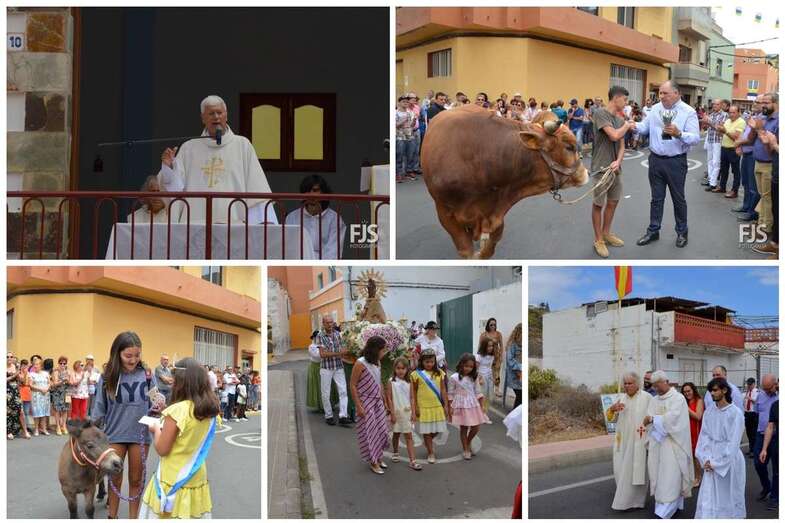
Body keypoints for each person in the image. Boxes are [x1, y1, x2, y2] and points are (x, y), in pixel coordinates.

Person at [158, 95, 276, 225]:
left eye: (219, 112)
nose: (216, 117)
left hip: (234, 223)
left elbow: (256, 185)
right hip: (196, 223)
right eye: (211, 113)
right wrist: (168, 168)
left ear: (226, 116)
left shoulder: (242, 145)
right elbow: (175, 188)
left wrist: (264, 220)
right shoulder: (189, 148)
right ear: (203, 118)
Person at [140, 357, 220, 518]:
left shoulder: (177, 411)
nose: (171, 383)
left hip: (173, 478)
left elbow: (162, 449)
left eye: (174, 379)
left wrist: (156, 429)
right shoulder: (210, 409)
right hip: (196, 475)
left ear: (181, 382)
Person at [91, 331, 159, 519]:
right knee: (115, 478)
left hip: (140, 436)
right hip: (114, 435)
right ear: (117, 353)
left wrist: (159, 407)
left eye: (137, 355)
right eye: (128, 356)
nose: (133, 360)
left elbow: (156, 404)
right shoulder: (106, 377)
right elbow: (98, 409)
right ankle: (112, 517)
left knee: (136, 480)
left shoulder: (146, 375)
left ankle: (133, 518)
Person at [632, 80, 701, 249]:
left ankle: (682, 232)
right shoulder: (655, 109)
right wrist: (632, 125)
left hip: (675, 162)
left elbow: (695, 138)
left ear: (676, 93)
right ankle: (653, 231)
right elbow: (644, 128)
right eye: (660, 93)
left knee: (678, 199)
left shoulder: (688, 112)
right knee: (656, 199)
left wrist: (679, 133)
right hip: (655, 159)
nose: (661, 96)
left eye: (665, 93)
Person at [590, 85, 636, 258]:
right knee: (598, 204)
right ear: (615, 98)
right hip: (601, 168)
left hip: (615, 169)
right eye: (624, 99)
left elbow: (622, 145)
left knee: (613, 202)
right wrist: (627, 125)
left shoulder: (619, 119)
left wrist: (618, 160)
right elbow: (614, 136)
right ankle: (598, 239)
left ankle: (607, 233)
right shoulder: (600, 113)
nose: (625, 103)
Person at [643, 370, 694, 518]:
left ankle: (664, 511)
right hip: (657, 443)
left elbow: (675, 419)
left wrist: (653, 419)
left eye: (658, 385)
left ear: (666, 382)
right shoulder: (654, 400)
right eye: (654, 386)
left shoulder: (678, 398)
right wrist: (650, 420)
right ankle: (673, 505)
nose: (656, 389)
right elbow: (648, 417)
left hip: (673, 444)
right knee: (659, 475)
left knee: (671, 476)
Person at [694, 377, 746, 518]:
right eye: (711, 390)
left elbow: (733, 442)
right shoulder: (709, 411)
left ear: (724, 390)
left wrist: (717, 463)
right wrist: (705, 458)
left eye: (715, 390)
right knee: (710, 494)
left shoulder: (735, 413)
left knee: (728, 494)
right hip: (711, 456)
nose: (712, 393)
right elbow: (704, 437)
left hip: (729, 460)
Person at [606, 371, 651, 511]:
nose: (627, 386)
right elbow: (610, 418)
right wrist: (612, 409)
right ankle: (624, 498)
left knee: (637, 472)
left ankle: (635, 502)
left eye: (630, 383)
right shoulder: (621, 398)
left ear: (637, 384)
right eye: (625, 383)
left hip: (639, 441)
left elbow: (652, 418)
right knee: (620, 469)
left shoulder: (647, 398)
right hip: (622, 442)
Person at [349, 336, 390, 475]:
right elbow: (353, 385)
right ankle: (374, 462)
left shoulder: (377, 362)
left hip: (377, 401)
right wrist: (359, 406)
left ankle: (378, 457)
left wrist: (384, 400)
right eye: (383, 349)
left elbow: (378, 382)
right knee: (371, 432)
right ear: (375, 349)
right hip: (365, 402)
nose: (385, 352)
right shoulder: (360, 363)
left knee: (382, 431)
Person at [285, 175, 346, 260]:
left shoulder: (335, 219)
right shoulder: (292, 217)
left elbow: (333, 252)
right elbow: (290, 249)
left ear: (324, 192)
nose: (311, 194)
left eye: (315, 190)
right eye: (307, 191)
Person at [448, 353, 489, 460]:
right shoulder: (454, 377)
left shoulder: (474, 377)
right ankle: (465, 448)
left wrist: (482, 406)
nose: (468, 369)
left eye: (471, 367)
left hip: (472, 404)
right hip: (460, 405)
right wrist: (450, 406)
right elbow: (450, 393)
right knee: (464, 427)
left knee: (476, 427)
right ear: (461, 364)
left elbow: (478, 392)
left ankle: (468, 442)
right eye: (466, 366)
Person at [411, 348, 449, 464]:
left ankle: (428, 442)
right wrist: (415, 407)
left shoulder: (440, 373)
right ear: (422, 361)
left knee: (438, 429)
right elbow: (414, 392)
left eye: (432, 362)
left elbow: (443, 389)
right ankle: (431, 452)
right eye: (427, 362)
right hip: (424, 407)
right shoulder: (416, 375)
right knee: (426, 432)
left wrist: (446, 405)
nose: (429, 364)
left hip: (437, 405)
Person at [385, 357, 421, 471]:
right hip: (396, 412)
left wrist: (414, 412)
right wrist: (392, 413)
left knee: (408, 436)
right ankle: (395, 452)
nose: (400, 371)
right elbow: (389, 398)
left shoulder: (409, 381)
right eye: (398, 368)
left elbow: (411, 397)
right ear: (394, 368)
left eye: (403, 368)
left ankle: (412, 460)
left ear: (407, 369)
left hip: (407, 412)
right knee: (396, 434)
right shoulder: (391, 381)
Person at [318, 316, 351, 426]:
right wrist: (338, 353)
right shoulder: (320, 336)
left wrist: (340, 352)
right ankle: (329, 416)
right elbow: (322, 354)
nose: (330, 324)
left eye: (331, 322)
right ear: (323, 323)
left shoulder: (337, 334)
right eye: (327, 323)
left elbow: (343, 349)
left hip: (338, 366)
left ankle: (343, 416)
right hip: (326, 368)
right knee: (325, 393)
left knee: (343, 391)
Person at [753, 373, 779, 504]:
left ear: (776, 384)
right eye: (764, 388)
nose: (766, 391)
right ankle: (766, 487)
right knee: (758, 464)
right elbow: (757, 413)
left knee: (777, 468)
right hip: (761, 434)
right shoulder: (760, 395)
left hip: (776, 437)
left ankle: (775, 495)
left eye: (769, 388)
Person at [716, 105, 746, 197]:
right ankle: (722, 187)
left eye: (733, 112)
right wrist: (719, 130)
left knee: (735, 171)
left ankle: (734, 191)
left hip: (733, 149)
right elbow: (721, 134)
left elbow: (736, 137)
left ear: (738, 113)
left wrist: (725, 131)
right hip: (724, 147)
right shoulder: (728, 121)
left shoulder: (741, 122)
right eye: (730, 112)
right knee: (723, 169)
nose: (731, 114)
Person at [681, 382, 704, 487]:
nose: (687, 393)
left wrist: (685, 407)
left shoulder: (699, 401)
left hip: (696, 430)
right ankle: (691, 477)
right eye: (684, 392)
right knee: (688, 456)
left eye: (689, 391)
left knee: (696, 456)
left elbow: (698, 416)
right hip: (685, 431)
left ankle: (698, 478)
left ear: (693, 390)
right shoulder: (685, 401)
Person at [701, 99, 727, 191]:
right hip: (710, 140)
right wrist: (704, 123)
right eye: (714, 104)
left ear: (721, 105)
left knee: (716, 162)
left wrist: (709, 122)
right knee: (709, 161)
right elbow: (707, 127)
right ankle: (710, 180)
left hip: (718, 140)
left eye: (717, 104)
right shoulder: (711, 115)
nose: (715, 106)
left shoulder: (724, 115)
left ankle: (713, 183)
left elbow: (719, 128)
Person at [759, 399, 779, 512]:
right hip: (778, 445)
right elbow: (770, 427)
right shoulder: (776, 405)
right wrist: (764, 449)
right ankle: (775, 498)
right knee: (777, 473)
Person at [478, 318, 504, 397]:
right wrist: (478, 356)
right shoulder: (483, 334)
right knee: (489, 373)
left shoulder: (498, 334)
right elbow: (480, 346)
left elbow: (501, 345)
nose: (493, 326)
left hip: (496, 356)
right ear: (488, 325)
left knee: (497, 374)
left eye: (494, 324)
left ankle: (496, 389)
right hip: (486, 357)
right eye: (491, 324)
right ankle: (490, 389)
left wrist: (501, 355)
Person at [28, 355, 50, 436]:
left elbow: (49, 383)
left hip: (45, 395)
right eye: (35, 364)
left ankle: (43, 429)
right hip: (36, 396)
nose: (36, 366)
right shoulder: (31, 374)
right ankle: (36, 429)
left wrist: (47, 388)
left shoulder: (46, 373)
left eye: (37, 364)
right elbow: (30, 385)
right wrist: (40, 389)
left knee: (44, 412)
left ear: (41, 365)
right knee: (37, 413)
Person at [476, 337, 495, 422]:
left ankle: (484, 413)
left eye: (492, 346)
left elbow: (490, 367)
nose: (491, 348)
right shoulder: (479, 356)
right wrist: (479, 378)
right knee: (482, 396)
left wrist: (493, 377)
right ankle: (481, 415)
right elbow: (476, 369)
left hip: (489, 377)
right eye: (488, 346)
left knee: (489, 396)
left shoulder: (491, 356)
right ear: (484, 346)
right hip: (482, 377)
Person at [50, 356, 70, 435]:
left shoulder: (68, 372)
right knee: (57, 410)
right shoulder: (55, 372)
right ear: (58, 363)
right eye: (61, 363)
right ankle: (58, 426)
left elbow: (70, 382)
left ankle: (64, 426)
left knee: (65, 410)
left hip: (65, 393)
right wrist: (62, 381)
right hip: (57, 393)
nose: (62, 365)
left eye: (64, 363)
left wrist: (68, 381)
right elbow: (54, 384)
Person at [7, 354, 25, 440]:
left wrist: (20, 372)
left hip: (15, 391)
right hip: (6, 392)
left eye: (11, 357)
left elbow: (22, 381)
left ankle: (24, 431)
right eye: (7, 357)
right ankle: (9, 431)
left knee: (20, 411)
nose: (9, 358)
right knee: (8, 412)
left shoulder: (15, 367)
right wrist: (14, 375)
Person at [505, 323, 523, 409]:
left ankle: (515, 418)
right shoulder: (512, 344)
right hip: (515, 375)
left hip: (521, 375)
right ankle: (513, 419)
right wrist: (520, 368)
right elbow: (510, 360)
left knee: (521, 398)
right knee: (521, 397)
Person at [306, 331, 323, 411]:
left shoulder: (323, 344)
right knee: (317, 386)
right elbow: (317, 356)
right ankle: (319, 405)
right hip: (315, 367)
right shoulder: (311, 346)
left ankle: (329, 404)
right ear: (314, 338)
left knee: (325, 386)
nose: (319, 338)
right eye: (318, 337)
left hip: (324, 367)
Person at [744, 377, 761, 457]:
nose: (749, 386)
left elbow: (755, 401)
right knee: (748, 432)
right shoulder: (748, 391)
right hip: (747, 413)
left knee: (753, 433)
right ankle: (751, 449)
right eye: (748, 384)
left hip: (753, 414)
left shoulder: (756, 391)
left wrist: (749, 398)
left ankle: (754, 451)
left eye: (750, 384)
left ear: (754, 384)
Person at [17, 358, 33, 438]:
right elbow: (23, 382)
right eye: (23, 365)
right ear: (21, 366)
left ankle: (27, 427)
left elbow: (29, 383)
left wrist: (26, 377)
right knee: (21, 412)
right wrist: (25, 375)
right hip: (20, 393)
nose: (24, 367)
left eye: (26, 365)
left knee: (26, 412)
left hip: (27, 394)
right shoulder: (18, 373)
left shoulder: (29, 374)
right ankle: (21, 428)